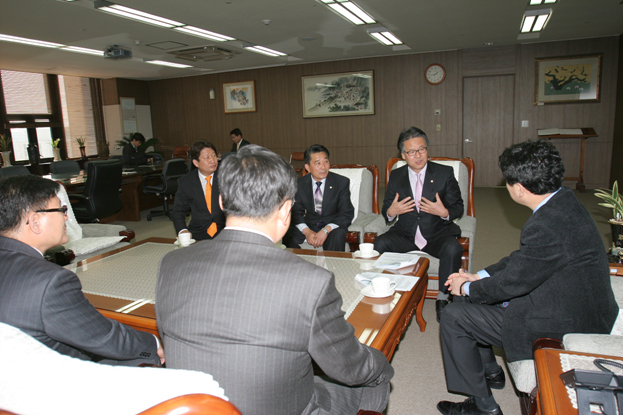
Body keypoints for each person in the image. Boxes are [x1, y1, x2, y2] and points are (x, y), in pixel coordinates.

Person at [156, 145, 393, 415]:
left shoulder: (171, 263)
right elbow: (351, 367)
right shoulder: (310, 281)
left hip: (193, 406)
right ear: (285, 211)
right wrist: (382, 364)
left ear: (222, 202)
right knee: (375, 382)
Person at [437, 140, 619, 415]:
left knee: (453, 316)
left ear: (520, 189)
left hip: (568, 321)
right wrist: (479, 276)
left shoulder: (546, 224)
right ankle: (491, 371)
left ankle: (483, 407)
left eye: (508, 182)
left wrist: (470, 288)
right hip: (569, 299)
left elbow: (515, 282)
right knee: (469, 296)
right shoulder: (563, 202)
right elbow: (525, 261)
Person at [0, 175, 163, 366]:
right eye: (61, 210)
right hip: (46, 379)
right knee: (145, 354)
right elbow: (104, 337)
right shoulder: (50, 281)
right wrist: (153, 342)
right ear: (35, 222)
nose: (66, 217)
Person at [374, 127, 464, 321]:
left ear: (427, 149)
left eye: (421, 149)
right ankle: (391, 291)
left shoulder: (444, 173)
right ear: (403, 155)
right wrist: (392, 212)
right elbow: (386, 209)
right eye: (412, 152)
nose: (418, 155)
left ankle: (443, 298)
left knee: (453, 248)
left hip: (437, 233)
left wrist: (445, 212)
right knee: (380, 243)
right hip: (406, 234)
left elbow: (459, 207)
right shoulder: (396, 176)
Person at [283, 144, 354, 252]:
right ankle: (297, 266)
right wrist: (306, 231)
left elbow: (346, 212)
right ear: (307, 167)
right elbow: (296, 212)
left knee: (338, 234)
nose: (323, 167)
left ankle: (333, 267)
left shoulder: (341, 182)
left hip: (332, 224)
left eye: (326, 162)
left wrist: (325, 230)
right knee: (288, 233)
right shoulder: (299, 185)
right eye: (318, 163)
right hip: (309, 223)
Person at [171, 141, 225, 241]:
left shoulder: (226, 177)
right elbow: (178, 211)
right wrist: (182, 230)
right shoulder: (186, 182)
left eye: (214, 156)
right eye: (207, 157)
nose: (212, 160)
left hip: (224, 231)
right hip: (198, 232)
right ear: (196, 163)